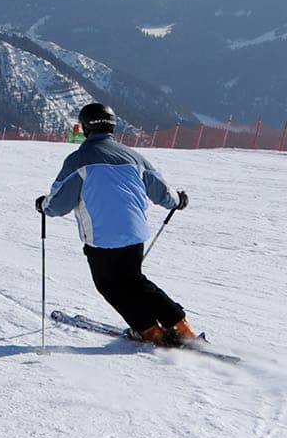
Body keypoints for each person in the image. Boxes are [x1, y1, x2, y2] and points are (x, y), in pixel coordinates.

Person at [38, 102, 195, 344]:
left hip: (101, 238)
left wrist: (43, 206)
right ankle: (180, 325)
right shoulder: (134, 157)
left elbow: (59, 205)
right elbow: (163, 192)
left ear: (86, 127)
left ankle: (149, 331)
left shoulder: (79, 159)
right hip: (134, 234)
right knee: (135, 281)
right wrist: (178, 200)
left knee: (111, 286)